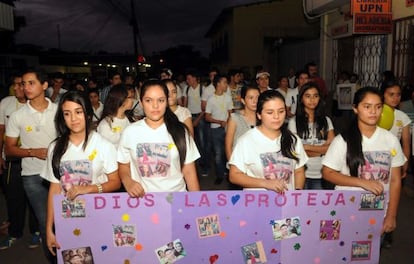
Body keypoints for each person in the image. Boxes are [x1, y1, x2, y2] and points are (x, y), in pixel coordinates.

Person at [41, 90, 120, 257]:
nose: (73, 119)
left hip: (99, 216)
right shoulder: (55, 148)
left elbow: (115, 182)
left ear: (88, 113)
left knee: (102, 257)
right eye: (67, 114)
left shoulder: (104, 145)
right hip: (67, 220)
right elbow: (54, 190)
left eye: (78, 112)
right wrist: (48, 229)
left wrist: (89, 189)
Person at [322, 87, 405, 239]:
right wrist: (361, 182)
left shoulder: (390, 140)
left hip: (377, 212)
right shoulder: (343, 140)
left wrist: (391, 215)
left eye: (378, 107)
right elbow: (327, 173)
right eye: (367, 106)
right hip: (344, 210)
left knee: (368, 256)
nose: (373, 111)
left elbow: (395, 180)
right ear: (355, 108)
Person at [5, 68, 58, 262]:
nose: (25, 87)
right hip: (32, 176)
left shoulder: (59, 110)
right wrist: (32, 152)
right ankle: (54, 259)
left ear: (44, 85)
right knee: (46, 221)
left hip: (59, 176)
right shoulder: (17, 115)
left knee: (65, 220)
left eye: (30, 83)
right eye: (22, 84)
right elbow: (9, 149)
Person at [118, 79, 200, 197]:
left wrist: (197, 203)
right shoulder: (130, 132)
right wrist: (128, 181)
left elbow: (189, 171)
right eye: (148, 100)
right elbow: (123, 164)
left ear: (167, 102)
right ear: (141, 103)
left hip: (176, 199)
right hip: (143, 202)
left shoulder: (180, 131)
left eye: (160, 100)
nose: (155, 106)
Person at [228, 90, 308, 192]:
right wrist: (265, 183)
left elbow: (299, 171)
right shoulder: (246, 141)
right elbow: (234, 175)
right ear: (259, 115)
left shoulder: (293, 140)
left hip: (287, 204)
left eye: (281, 111)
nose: (276, 116)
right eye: (270, 112)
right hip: (258, 204)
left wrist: (297, 192)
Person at [0, 73, 41, 250]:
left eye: (21, 85)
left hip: (35, 161)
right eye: (16, 85)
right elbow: (1, 131)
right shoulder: (6, 103)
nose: (17, 88)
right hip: (13, 160)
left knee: (35, 199)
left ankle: (36, 232)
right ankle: (14, 232)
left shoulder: (39, 107)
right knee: (14, 198)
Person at [380, 80, 411, 248]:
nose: (395, 98)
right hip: (376, 165)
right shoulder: (375, 113)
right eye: (390, 94)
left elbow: (406, 142)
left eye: (398, 95)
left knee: (393, 199)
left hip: (395, 163)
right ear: (383, 94)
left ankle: (388, 231)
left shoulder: (403, 117)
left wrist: (405, 163)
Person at [288, 82, 334, 189]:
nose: (312, 99)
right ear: (301, 99)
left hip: (322, 174)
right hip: (301, 174)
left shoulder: (326, 121)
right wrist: (321, 151)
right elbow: (296, 151)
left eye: (315, 96)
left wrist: (306, 147)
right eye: (308, 96)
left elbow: (332, 149)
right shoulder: (293, 122)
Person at [205, 75, 234, 185]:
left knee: (228, 151)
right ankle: (219, 175)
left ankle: (229, 172)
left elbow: (231, 113)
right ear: (218, 84)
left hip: (227, 129)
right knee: (218, 154)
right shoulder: (211, 99)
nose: (226, 84)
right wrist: (219, 122)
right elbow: (207, 117)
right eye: (225, 82)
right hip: (215, 130)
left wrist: (228, 123)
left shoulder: (227, 97)